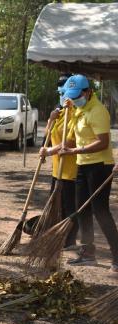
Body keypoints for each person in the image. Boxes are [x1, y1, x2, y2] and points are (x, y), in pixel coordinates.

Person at [59, 74, 118, 272]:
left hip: (100, 165)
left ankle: (117, 256)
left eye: (78, 95)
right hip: (82, 165)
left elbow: (102, 142)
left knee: (100, 210)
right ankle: (88, 252)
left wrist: (76, 150)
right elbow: (71, 138)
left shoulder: (98, 111)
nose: (75, 99)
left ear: (88, 91)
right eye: (72, 96)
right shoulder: (77, 109)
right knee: (81, 209)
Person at [39, 73, 79, 249]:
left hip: (71, 168)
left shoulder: (76, 112)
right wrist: (51, 119)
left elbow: (70, 142)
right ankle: (55, 234)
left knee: (69, 205)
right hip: (57, 167)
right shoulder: (59, 110)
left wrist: (49, 151)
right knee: (55, 202)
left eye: (64, 89)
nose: (62, 95)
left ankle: (70, 239)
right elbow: (49, 134)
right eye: (60, 90)